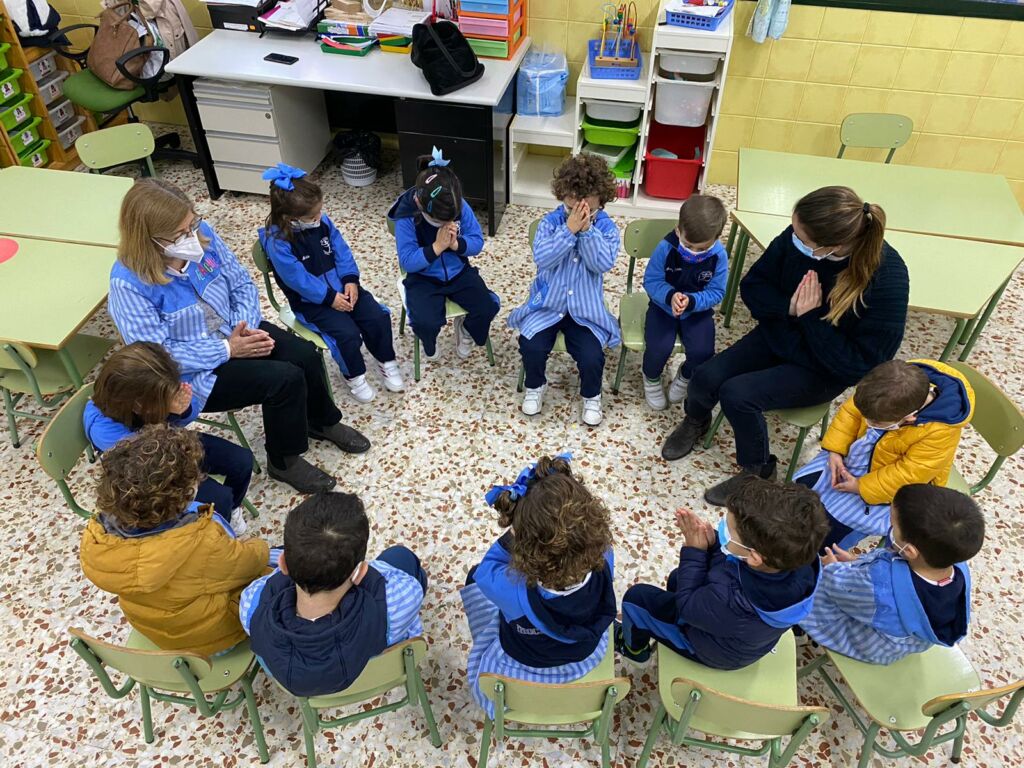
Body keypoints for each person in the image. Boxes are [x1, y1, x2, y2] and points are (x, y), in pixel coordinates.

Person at [107, 178, 370, 496]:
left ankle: (321, 420)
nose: (192, 237)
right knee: (283, 380)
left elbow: (242, 283)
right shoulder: (128, 285)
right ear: (150, 239)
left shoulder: (201, 235)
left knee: (305, 356)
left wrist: (243, 326)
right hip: (192, 375)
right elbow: (157, 356)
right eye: (180, 234)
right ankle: (283, 461)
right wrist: (227, 349)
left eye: (192, 224)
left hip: (236, 331)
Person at [661, 186, 910, 507]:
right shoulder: (799, 235)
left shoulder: (887, 278)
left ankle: (758, 472)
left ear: (829, 246)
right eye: (794, 231)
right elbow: (753, 286)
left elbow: (861, 365)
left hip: (824, 366)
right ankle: (696, 420)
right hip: (780, 334)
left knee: (737, 395)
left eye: (802, 239)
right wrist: (790, 308)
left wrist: (809, 318)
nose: (794, 240)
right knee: (706, 376)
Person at [79, 425, 276, 656]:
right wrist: (258, 546)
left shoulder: (98, 536)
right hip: (213, 638)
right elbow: (248, 563)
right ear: (185, 493)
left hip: (157, 631)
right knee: (284, 564)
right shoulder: (202, 541)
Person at [461, 454, 616, 715]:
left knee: (474, 575)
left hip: (523, 664)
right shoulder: (605, 557)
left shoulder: (512, 589)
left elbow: (487, 570)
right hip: (585, 656)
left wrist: (513, 534)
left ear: (523, 547)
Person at [616, 477, 828, 669]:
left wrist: (695, 551)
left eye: (729, 529)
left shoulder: (731, 599)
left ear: (754, 557)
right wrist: (715, 544)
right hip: (737, 634)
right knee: (677, 578)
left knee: (636, 600)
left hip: (711, 650)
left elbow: (688, 607)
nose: (723, 528)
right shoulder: (795, 558)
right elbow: (735, 563)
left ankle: (634, 651)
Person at [239, 492, 427, 697]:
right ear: (360, 572)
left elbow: (270, 581)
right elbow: (410, 586)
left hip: (302, 685)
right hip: (368, 665)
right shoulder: (396, 604)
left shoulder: (250, 604)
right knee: (401, 556)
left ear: (283, 564)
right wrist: (364, 573)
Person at [793, 359, 974, 551]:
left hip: (891, 488)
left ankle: (816, 553)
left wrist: (861, 486)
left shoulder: (940, 432)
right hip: (860, 458)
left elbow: (908, 476)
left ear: (910, 417)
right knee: (800, 491)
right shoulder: (882, 390)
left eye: (876, 423)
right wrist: (835, 450)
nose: (867, 422)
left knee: (829, 532)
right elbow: (850, 413)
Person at [259, 164, 403, 405]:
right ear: (289, 218)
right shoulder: (278, 242)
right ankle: (354, 377)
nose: (319, 218)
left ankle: (386, 361)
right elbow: (298, 280)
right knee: (346, 335)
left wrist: (350, 280)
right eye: (312, 216)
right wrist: (329, 298)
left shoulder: (322, 222)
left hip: (343, 289)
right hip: (312, 303)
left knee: (377, 316)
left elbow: (341, 250)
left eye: (319, 211)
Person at [83, 342, 254, 534]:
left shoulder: (154, 392)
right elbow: (149, 459)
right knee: (219, 498)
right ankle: (217, 523)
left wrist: (182, 410)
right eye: (163, 399)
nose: (170, 399)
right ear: (137, 404)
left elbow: (188, 412)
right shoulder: (103, 429)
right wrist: (170, 416)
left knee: (242, 460)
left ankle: (231, 509)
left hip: (172, 442)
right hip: (150, 473)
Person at [801, 484, 983, 665]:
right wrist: (857, 562)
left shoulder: (879, 585)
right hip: (898, 642)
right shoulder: (954, 564)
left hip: (861, 641)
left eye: (892, 524)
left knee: (802, 580)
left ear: (909, 551)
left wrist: (833, 567)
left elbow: (839, 588)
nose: (889, 527)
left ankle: (799, 632)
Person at [507, 154, 620, 426]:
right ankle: (535, 385)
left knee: (592, 356)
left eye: (587, 210)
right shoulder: (550, 223)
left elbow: (602, 263)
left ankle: (591, 396)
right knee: (531, 345)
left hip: (585, 310)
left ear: (600, 203)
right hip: (548, 305)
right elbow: (543, 258)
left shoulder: (606, 228)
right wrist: (568, 231)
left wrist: (587, 231)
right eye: (571, 208)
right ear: (563, 198)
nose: (578, 215)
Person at [387, 147, 499, 362]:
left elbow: (477, 242)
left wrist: (456, 244)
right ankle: (429, 342)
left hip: (459, 272)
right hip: (423, 277)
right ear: (420, 204)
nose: (447, 224)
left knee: (488, 307)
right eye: (439, 221)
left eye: (452, 219)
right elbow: (408, 261)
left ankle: (465, 328)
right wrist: (437, 247)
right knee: (424, 323)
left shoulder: (458, 204)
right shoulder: (407, 216)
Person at [641, 194, 729, 411]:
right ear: (678, 231)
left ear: (717, 238)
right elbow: (651, 280)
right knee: (658, 348)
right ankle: (651, 378)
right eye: (688, 245)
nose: (694, 253)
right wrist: (670, 296)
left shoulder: (719, 255)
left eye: (702, 249)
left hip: (697, 311)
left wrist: (692, 301)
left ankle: (685, 376)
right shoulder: (666, 247)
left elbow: (717, 292)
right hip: (663, 307)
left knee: (703, 352)